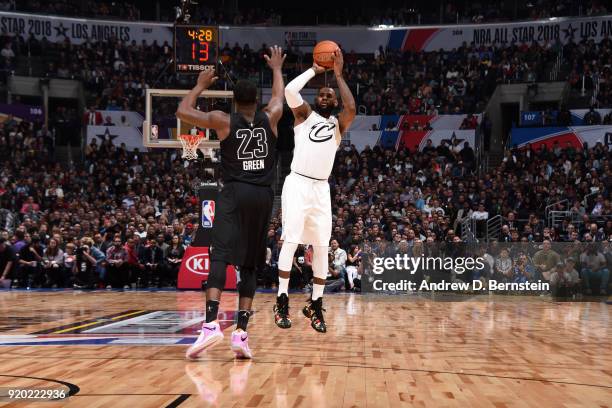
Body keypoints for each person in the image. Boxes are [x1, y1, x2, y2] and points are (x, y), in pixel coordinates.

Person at [179, 45, 285, 360]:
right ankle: (241, 334)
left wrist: (199, 85)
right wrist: (276, 68)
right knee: (250, 263)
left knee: (220, 255)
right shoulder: (272, 116)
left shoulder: (223, 120)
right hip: (264, 196)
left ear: (235, 101)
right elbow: (279, 97)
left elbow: (183, 111)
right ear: (258, 100)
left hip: (236, 192)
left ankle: (211, 325)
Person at [274, 48, 356, 333]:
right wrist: (314, 70)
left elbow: (352, 108)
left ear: (333, 102)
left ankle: (315, 305)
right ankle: (282, 299)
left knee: (322, 247)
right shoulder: (303, 116)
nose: (324, 97)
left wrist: (338, 75)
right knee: (291, 242)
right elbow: (289, 90)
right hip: (297, 183)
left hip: (321, 189)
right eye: (320, 94)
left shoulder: (338, 124)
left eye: (329, 95)